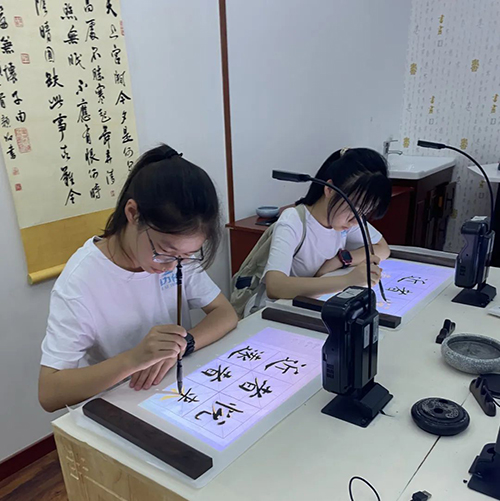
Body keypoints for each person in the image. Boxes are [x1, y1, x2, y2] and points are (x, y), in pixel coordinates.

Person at [38, 144, 238, 412]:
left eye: (187, 255)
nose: (172, 266)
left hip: (176, 394)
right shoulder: (80, 282)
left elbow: (225, 313)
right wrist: (134, 359)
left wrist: (183, 345)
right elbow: (49, 392)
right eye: (165, 251)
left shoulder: (178, 256)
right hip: (120, 408)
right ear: (133, 214)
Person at [264, 147, 392, 302]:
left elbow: (383, 249)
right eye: (354, 208)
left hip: (312, 304)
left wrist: (340, 260)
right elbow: (275, 286)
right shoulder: (294, 220)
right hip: (279, 309)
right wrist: (348, 280)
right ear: (329, 190)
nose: (355, 221)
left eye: (364, 213)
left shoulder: (343, 221)